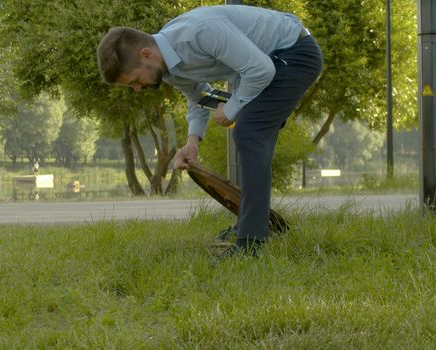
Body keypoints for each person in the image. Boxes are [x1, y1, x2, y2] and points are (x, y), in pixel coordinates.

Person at [97, 5, 323, 257]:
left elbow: (262, 70)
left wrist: (231, 109)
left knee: (249, 131)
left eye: (135, 81)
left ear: (146, 54)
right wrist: (192, 142)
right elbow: (200, 97)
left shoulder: (199, 32)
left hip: (294, 53)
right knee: (252, 132)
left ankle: (251, 241)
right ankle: (251, 225)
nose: (137, 89)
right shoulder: (169, 67)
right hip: (271, 61)